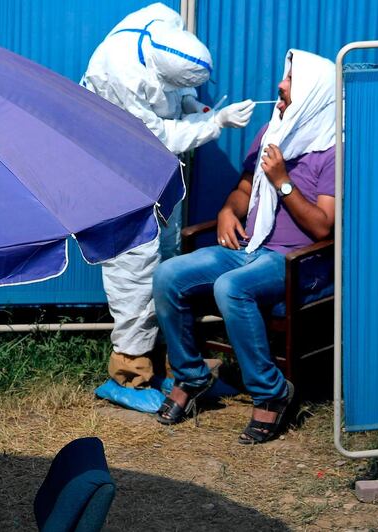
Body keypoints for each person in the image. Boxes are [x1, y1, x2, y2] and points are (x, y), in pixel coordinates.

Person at [153, 49, 336, 444]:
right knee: (168, 274)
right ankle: (192, 375)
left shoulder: (331, 151)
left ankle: (272, 392)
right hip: (250, 247)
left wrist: (282, 181)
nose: (280, 85)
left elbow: (323, 227)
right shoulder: (272, 133)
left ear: (315, 94)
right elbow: (243, 189)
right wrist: (226, 211)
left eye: (291, 81)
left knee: (231, 287)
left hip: (294, 261)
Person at [81, 3, 255, 389]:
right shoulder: (117, 73)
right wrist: (213, 123)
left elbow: (178, 88)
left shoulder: (165, 23)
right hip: (119, 166)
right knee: (134, 263)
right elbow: (154, 136)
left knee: (169, 257)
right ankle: (130, 372)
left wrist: (193, 103)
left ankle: (173, 361)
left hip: (160, 171)